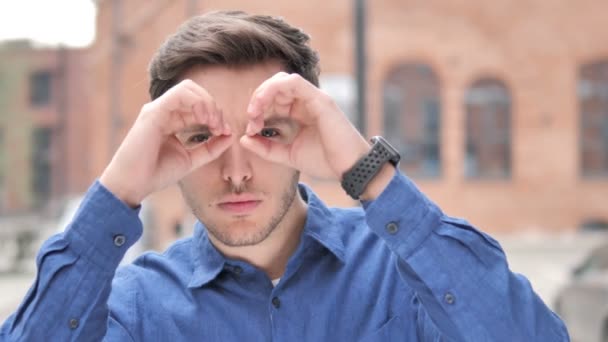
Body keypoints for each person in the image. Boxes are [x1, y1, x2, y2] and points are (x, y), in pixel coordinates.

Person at [1, 10, 569, 341]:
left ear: (308, 132)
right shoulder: (137, 307)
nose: (236, 172)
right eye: (203, 138)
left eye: (265, 132)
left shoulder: (405, 274)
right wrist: (117, 193)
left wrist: (368, 174)